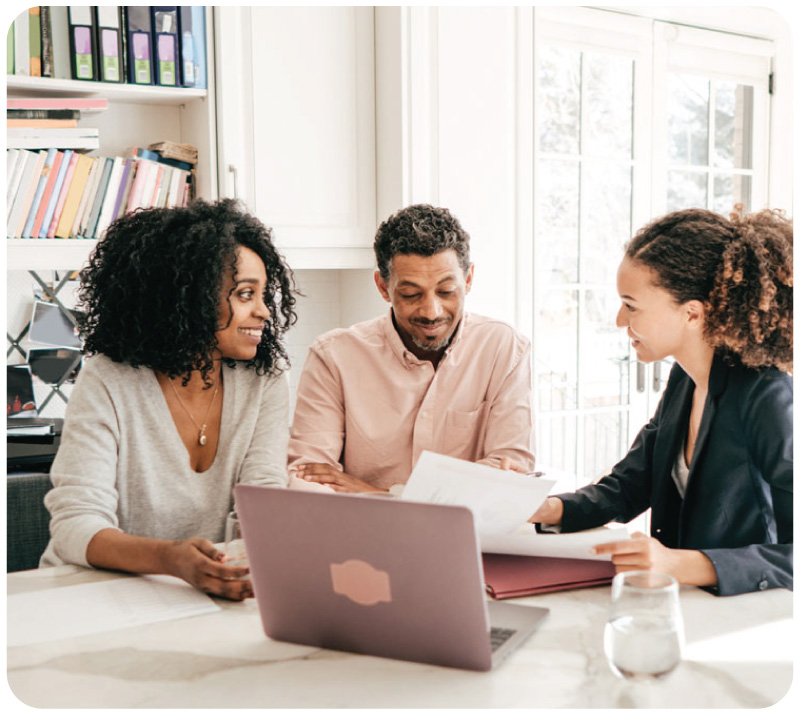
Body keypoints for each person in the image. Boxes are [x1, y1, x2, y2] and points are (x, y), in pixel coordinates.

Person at [41, 199, 298, 601]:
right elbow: (76, 525)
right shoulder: (108, 380)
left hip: (205, 592)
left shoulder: (265, 380)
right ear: (190, 296)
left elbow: (262, 505)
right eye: (246, 294)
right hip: (93, 594)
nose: (264, 311)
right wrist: (170, 559)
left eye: (264, 295)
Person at [530, 207, 793, 596]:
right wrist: (549, 508)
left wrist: (682, 564)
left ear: (692, 314)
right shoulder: (684, 379)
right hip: (688, 606)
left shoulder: (767, 396)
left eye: (631, 305)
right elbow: (632, 484)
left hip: (750, 614)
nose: (620, 320)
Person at [288, 203, 535, 493]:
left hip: (448, 529)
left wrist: (377, 494)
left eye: (446, 291)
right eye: (411, 294)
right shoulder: (332, 357)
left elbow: (511, 475)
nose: (431, 312)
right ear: (383, 287)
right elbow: (308, 480)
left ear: (468, 280)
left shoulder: (505, 349)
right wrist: (461, 488)